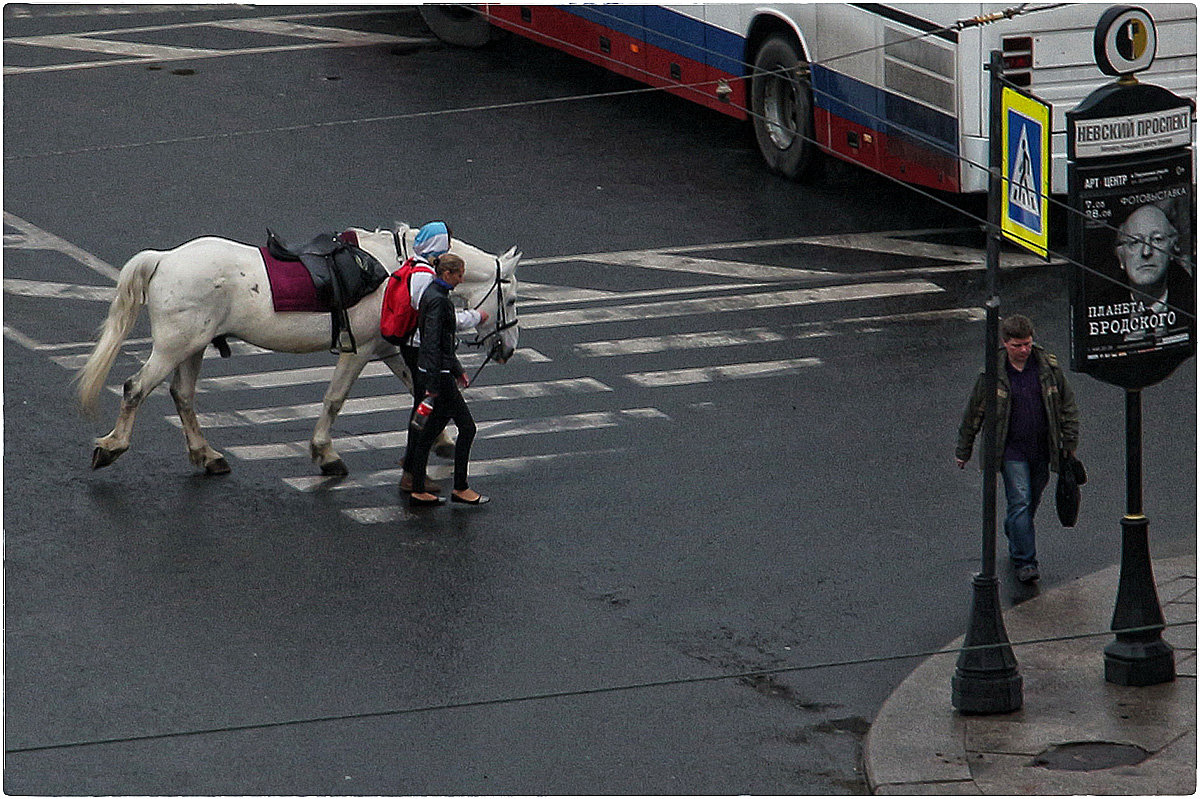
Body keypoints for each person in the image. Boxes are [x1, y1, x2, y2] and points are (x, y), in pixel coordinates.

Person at [955, 315, 1080, 584]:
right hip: (1011, 451)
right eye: (1017, 345)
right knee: (1020, 501)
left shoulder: (1048, 368)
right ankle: (1026, 561)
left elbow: (1067, 405)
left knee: (1029, 501)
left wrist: (1069, 444)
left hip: (1042, 449)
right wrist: (963, 450)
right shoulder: (992, 374)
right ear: (1005, 343)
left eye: (1027, 344)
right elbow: (975, 412)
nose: (1024, 350)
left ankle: (1016, 529)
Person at [398, 222, 487, 493]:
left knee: (428, 420)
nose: (462, 280)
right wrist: (435, 382)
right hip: (431, 366)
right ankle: (434, 481)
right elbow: (435, 338)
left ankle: (413, 472)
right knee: (457, 426)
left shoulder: (416, 267)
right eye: (458, 274)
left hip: (431, 364)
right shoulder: (432, 291)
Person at [1114, 204, 1193, 343]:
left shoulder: (1192, 301)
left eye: (1157, 239)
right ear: (1121, 256)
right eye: (1135, 242)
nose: (1146, 252)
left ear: (1172, 249)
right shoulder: (1095, 308)